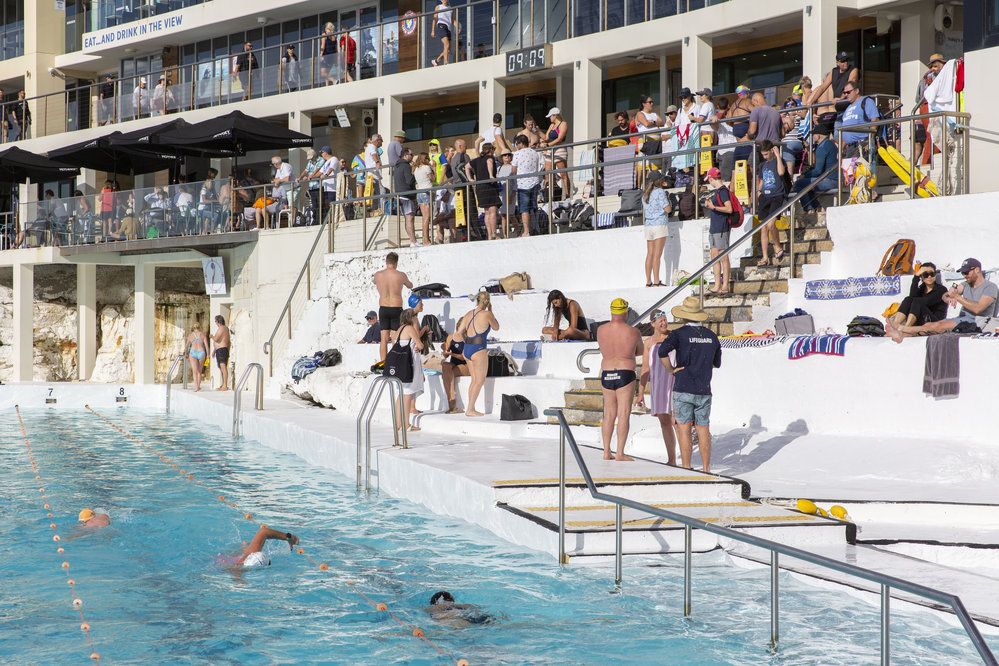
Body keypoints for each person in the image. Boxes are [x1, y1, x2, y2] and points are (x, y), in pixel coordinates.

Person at [658, 296, 721, 473]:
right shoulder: (711, 336)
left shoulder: (678, 334)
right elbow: (716, 363)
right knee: (703, 428)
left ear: (684, 315)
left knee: (683, 428)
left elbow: (662, 351)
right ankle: (707, 468)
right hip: (704, 389)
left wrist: (671, 370)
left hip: (684, 387)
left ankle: (686, 467)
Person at [886, 258, 998, 342]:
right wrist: (950, 295)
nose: (964, 275)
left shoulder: (990, 287)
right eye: (963, 273)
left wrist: (957, 297)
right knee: (928, 326)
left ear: (977, 270)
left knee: (936, 326)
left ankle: (901, 328)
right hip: (961, 319)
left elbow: (978, 309)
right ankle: (902, 335)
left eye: (966, 272)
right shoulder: (965, 284)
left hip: (977, 321)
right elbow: (946, 295)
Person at [596, 298, 643, 461]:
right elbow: (639, 351)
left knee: (609, 414)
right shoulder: (633, 332)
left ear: (611, 311)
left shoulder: (601, 330)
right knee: (623, 413)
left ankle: (606, 452)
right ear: (625, 312)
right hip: (625, 372)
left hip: (607, 372)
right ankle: (620, 453)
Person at [637, 310, 677, 465]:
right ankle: (672, 459)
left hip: (673, 383)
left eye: (665, 319)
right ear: (652, 323)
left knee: (677, 422)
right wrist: (641, 393)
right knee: (664, 422)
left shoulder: (674, 337)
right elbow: (645, 368)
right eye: (660, 320)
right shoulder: (648, 342)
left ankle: (685, 461)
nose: (664, 323)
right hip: (658, 386)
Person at [456, 291, 499, 417]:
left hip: (468, 348)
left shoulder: (468, 314)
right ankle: (470, 409)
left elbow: (459, 333)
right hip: (479, 348)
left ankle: (471, 408)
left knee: (474, 380)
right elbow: (496, 327)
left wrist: (465, 344)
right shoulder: (487, 314)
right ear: (487, 302)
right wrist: (491, 311)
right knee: (480, 380)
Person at [373, 252, 413, 363]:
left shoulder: (378, 275)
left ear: (386, 262)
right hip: (396, 308)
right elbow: (410, 285)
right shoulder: (400, 275)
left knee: (383, 339)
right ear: (396, 263)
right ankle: (395, 363)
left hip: (383, 308)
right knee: (395, 338)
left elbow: (374, 281)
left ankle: (383, 363)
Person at [755, 140, 787, 266]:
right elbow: (761, 181)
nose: (765, 157)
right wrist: (758, 192)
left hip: (776, 196)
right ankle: (764, 257)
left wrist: (778, 156)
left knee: (771, 224)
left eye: (766, 154)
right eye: (763, 155)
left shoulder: (778, 161)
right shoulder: (763, 165)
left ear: (772, 151)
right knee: (763, 228)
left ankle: (777, 246)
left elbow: (781, 172)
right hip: (765, 196)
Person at [794, 124, 837, 213]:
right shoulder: (830, 144)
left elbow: (818, 171)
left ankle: (809, 209)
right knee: (807, 184)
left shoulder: (822, 147)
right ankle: (818, 207)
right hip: (835, 180)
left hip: (831, 181)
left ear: (818, 135)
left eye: (813, 135)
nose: (812, 137)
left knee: (799, 184)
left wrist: (804, 176)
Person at [889, 262, 948, 329]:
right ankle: (894, 326)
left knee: (917, 301)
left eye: (932, 274)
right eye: (925, 274)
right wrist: (916, 276)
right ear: (921, 276)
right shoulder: (921, 289)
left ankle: (906, 329)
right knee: (908, 299)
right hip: (921, 320)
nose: (929, 277)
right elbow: (911, 298)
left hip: (935, 322)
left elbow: (926, 301)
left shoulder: (941, 290)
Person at [702, 167, 732, 294]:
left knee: (723, 257)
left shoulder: (723, 191)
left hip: (721, 228)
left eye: (709, 179)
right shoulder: (717, 192)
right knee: (714, 256)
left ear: (712, 178)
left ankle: (725, 285)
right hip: (714, 228)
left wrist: (712, 206)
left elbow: (729, 209)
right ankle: (717, 285)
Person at [642, 170, 673, 287]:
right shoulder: (660, 192)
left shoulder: (645, 194)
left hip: (648, 225)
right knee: (657, 255)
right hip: (659, 224)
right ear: (658, 180)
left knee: (649, 254)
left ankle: (648, 281)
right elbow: (668, 209)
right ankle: (656, 281)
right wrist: (668, 199)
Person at [395, 308, 425, 431]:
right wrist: (418, 346)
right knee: (408, 395)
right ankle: (406, 424)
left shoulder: (398, 330)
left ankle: (398, 424)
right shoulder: (410, 328)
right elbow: (421, 345)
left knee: (400, 395)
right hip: (410, 365)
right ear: (411, 317)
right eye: (415, 316)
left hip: (400, 365)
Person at [466, 143, 500, 240]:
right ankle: (493, 233)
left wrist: (470, 179)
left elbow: (466, 166)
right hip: (489, 186)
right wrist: (491, 175)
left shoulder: (477, 160)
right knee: (492, 210)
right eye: (493, 149)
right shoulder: (490, 158)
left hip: (479, 187)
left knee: (487, 212)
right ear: (490, 150)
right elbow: (489, 162)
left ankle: (489, 235)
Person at [510, 134, 541, 238]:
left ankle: (526, 231)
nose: (516, 146)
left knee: (524, 209)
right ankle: (535, 228)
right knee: (533, 207)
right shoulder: (535, 153)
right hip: (534, 181)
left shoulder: (517, 154)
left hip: (523, 184)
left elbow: (513, 170)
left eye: (516, 144)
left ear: (520, 143)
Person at [838, 83, 880, 158]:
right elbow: (845, 130)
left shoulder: (866, 101)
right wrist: (841, 148)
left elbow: (875, 119)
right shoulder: (848, 108)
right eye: (844, 93)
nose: (846, 95)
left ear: (856, 91)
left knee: (860, 169)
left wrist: (869, 141)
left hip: (862, 145)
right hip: (850, 148)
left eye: (848, 92)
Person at [425, 591, 500, 628]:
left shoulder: (438, 607)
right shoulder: (462, 605)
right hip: (474, 616)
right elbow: (478, 608)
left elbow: (425, 610)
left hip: (456, 618)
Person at [235, 526, 299, 568]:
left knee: (245, 548)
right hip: (235, 563)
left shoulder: (246, 559)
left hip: (234, 561)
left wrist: (289, 538)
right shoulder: (237, 572)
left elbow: (264, 532)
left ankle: (245, 547)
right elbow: (264, 531)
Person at [540, 108, 570, 198]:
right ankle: (546, 197)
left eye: (550, 116)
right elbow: (546, 137)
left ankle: (567, 195)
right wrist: (538, 133)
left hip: (559, 149)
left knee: (563, 174)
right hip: (550, 150)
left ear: (555, 115)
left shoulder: (563, 124)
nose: (549, 118)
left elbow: (560, 138)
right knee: (547, 176)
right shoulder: (551, 125)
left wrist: (548, 144)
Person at [393, 147, 419, 246]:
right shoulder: (406, 166)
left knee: (407, 218)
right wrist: (414, 174)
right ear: (405, 155)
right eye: (411, 155)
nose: (412, 157)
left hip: (401, 195)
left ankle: (412, 240)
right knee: (410, 218)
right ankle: (413, 241)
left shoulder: (397, 166)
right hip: (407, 195)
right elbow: (410, 180)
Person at [441, 330, 469, 413]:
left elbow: (464, 357)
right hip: (454, 363)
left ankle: (451, 403)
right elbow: (446, 354)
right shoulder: (451, 337)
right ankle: (451, 396)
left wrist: (452, 354)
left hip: (466, 365)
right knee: (445, 365)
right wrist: (444, 350)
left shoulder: (468, 338)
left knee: (447, 374)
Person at [413, 152, 435, 244]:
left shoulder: (416, 169)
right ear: (424, 159)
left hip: (420, 192)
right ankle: (426, 239)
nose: (429, 160)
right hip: (427, 192)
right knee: (427, 217)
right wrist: (434, 167)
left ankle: (425, 238)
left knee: (424, 217)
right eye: (427, 158)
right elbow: (433, 179)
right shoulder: (426, 168)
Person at [431, 0, 458, 66]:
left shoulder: (450, 9)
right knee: (446, 44)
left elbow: (453, 20)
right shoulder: (438, 7)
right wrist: (433, 30)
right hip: (441, 26)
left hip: (448, 28)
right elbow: (434, 19)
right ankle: (446, 62)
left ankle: (436, 61)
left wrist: (457, 27)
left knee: (448, 50)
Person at [186, 323, 210, 392]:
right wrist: (208, 355)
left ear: (193, 328)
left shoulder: (190, 335)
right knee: (199, 371)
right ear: (200, 327)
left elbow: (186, 346)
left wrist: (186, 354)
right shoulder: (202, 335)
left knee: (194, 371)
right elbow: (206, 346)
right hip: (201, 352)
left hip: (193, 352)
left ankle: (196, 387)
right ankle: (198, 386)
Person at [212, 315, 231, 391]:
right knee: (221, 367)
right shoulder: (225, 329)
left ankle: (225, 385)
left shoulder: (222, 328)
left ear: (218, 321)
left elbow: (216, 339)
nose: (215, 323)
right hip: (220, 350)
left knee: (223, 367)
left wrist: (211, 336)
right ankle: (223, 384)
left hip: (222, 350)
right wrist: (214, 350)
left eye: (215, 321)